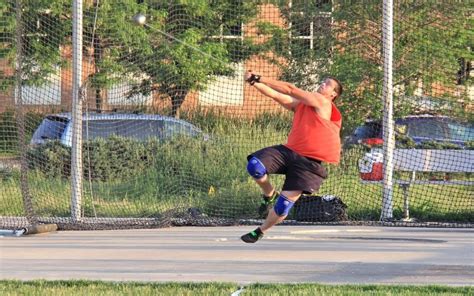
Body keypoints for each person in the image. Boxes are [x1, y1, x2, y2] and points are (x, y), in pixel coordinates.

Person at [241, 71, 343, 243]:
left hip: (308, 164)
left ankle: (260, 231)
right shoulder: (302, 105)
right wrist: (253, 83)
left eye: (327, 84)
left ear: (333, 94)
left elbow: (289, 89)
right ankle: (269, 194)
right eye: (323, 81)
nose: (322, 84)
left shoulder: (323, 102)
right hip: (288, 152)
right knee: (255, 166)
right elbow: (276, 95)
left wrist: (260, 77)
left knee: (283, 207)